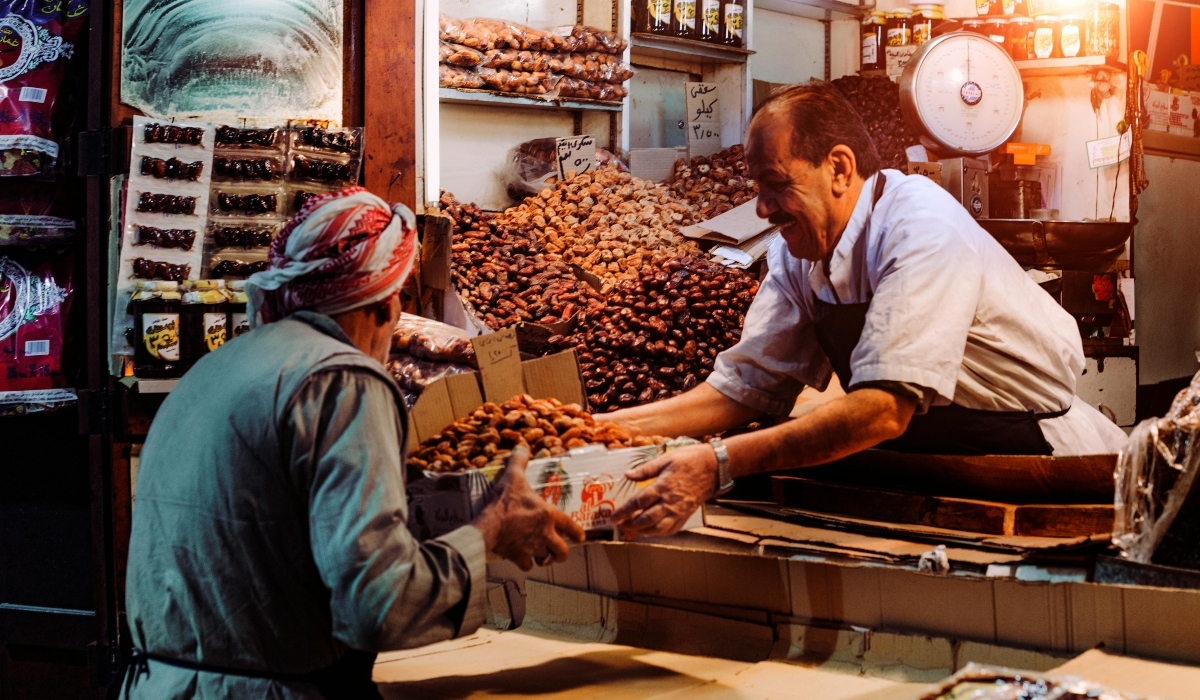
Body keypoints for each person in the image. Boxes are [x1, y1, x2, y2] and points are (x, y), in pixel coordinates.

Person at [604, 81, 1127, 537]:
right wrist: (601, 430)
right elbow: (745, 389)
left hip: (1031, 462)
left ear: (838, 168)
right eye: (757, 188)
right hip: (922, 463)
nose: (761, 208)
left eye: (777, 184)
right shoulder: (796, 251)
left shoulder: (917, 226)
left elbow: (882, 409)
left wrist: (719, 462)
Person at [120, 187, 584, 699]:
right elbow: (378, 604)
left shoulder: (212, 369)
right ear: (386, 306)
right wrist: (489, 533)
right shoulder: (344, 380)